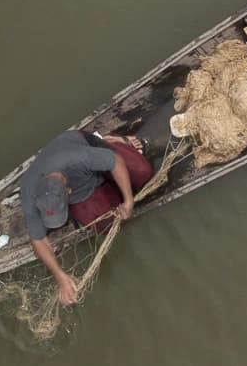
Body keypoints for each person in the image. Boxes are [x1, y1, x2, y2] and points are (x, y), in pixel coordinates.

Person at [19, 128, 153, 305]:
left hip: (85, 148)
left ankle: (113, 140)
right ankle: (107, 188)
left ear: (68, 191)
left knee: (143, 172)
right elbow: (38, 239)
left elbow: (115, 162)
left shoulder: (75, 158)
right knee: (105, 225)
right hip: (84, 189)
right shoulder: (29, 191)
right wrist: (60, 276)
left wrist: (128, 201)